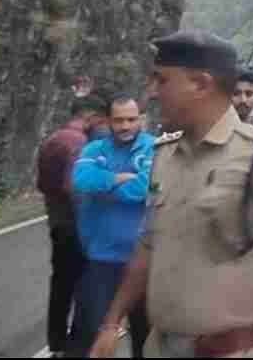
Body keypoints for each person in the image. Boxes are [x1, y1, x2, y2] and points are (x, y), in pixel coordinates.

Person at [89, 29, 253, 359]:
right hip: (159, 347)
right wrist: (111, 324)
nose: (152, 92)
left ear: (200, 84)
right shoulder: (164, 154)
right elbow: (147, 246)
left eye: (162, 80)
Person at [70, 94, 156, 358]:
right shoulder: (94, 149)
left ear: (141, 119)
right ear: (108, 121)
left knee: (147, 337)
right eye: (118, 120)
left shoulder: (155, 147)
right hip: (102, 259)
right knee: (88, 335)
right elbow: (82, 179)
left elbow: (144, 188)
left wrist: (104, 186)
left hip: (143, 261)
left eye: (131, 119)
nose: (125, 126)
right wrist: (118, 178)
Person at [35, 95, 108, 358]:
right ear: (89, 115)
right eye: (100, 120)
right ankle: (78, 347)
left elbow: (42, 184)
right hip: (74, 226)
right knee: (85, 289)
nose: (100, 126)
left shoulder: (52, 140)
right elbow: (74, 187)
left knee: (60, 287)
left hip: (56, 222)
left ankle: (56, 344)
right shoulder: (78, 143)